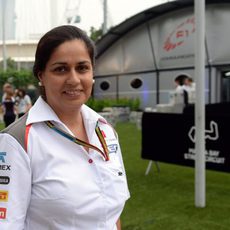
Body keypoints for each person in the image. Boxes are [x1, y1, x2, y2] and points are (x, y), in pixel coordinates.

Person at [0, 25, 130, 229]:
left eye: (82, 68)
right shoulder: (17, 141)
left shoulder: (105, 131)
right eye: (60, 69)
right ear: (41, 75)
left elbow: (111, 215)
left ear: (92, 72)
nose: (74, 79)